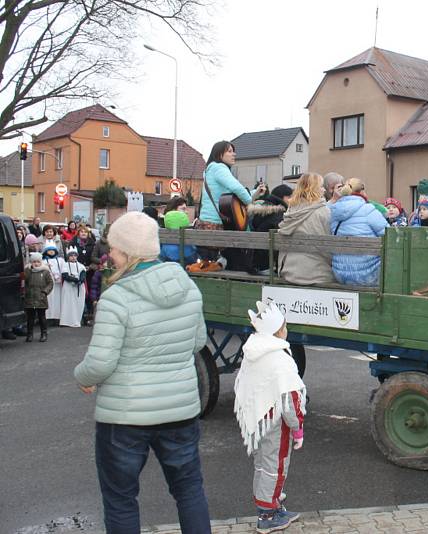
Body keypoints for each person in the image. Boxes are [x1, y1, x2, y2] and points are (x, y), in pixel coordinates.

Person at [73, 211, 212, 534]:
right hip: (179, 410)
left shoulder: (117, 297)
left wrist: (83, 378)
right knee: (189, 490)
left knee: (121, 499)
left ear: (126, 252)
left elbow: (100, 363)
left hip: (125, 417)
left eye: (113, 248)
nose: (109, 254)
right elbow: (197, 341)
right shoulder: (187, 288)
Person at [234, 300, 305, 533]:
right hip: (276, 422)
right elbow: (291, 398)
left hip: (257, 418)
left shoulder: (253, 348)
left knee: (262, 464)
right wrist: (297, 428)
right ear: (279, 330)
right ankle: (267, 515)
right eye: (285, 325)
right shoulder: (280, 358)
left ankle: (271, 505)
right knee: (275, 466)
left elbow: (243, 383)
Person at [194, 141, 253, 272]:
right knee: (240, 258)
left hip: (207, 223)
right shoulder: (219, 168)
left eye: (233, 151)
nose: (234, 154)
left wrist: (254, 193)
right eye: (229, 151)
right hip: (218, 223)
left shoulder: (209, 170)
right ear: (219, 154)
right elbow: (237, 188)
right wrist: (251, 202)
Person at [278, 173, 335, 285]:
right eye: (321, 186)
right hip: (318, 274)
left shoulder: (290, 210)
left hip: (289, 272)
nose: (324, 190)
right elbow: (328, 248)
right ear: (314, 189)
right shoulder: (324, 212)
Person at [329, 178, 388, 286]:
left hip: (339, 273)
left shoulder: (333, 211)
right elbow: (388, 234)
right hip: (368, 274)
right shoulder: (368, 210)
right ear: (362, 192)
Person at [249, 184, 293, 273]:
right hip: (269, 265)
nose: (291, 200)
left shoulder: (260, 210)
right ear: (282, 197)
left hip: (255, 262)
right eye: (289, 197)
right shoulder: (279, 214)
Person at [24, 252, 54, 342]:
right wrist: (28, 270)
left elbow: (50, 283)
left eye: (38, 262)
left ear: (41, 262)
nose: (36, 264)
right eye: (34, 262)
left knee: (42, 317)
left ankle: (44, 333)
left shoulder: (45, 272)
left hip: (41, 297)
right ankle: (29, 334)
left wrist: (45, 292)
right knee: (30, 318)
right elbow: (25, 280)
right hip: (30, 297)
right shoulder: (28, 271)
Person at [59, 247, 87, 328]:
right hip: (68, 287)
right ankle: (66, 321)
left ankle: (76, 320)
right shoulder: (65, 265)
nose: (73, 257)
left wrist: (80, 281)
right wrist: (75, 279)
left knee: (77, 304)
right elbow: (65, 275)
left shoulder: (81, 266)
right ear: (68, 256)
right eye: (71, 255)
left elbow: (83, 275)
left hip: (78, 288)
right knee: (68, 303)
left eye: (75, 255)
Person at [42, 240, 65, 322]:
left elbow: (63, 269)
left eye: (52, 250)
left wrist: (60, 276)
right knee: (49, 300)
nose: (51, 252)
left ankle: (57, 317)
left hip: (58, 284)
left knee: (58, 301)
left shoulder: (60, 260)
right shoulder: (43, 261)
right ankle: (48, 317)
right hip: (48, 284)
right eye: (49, 250)